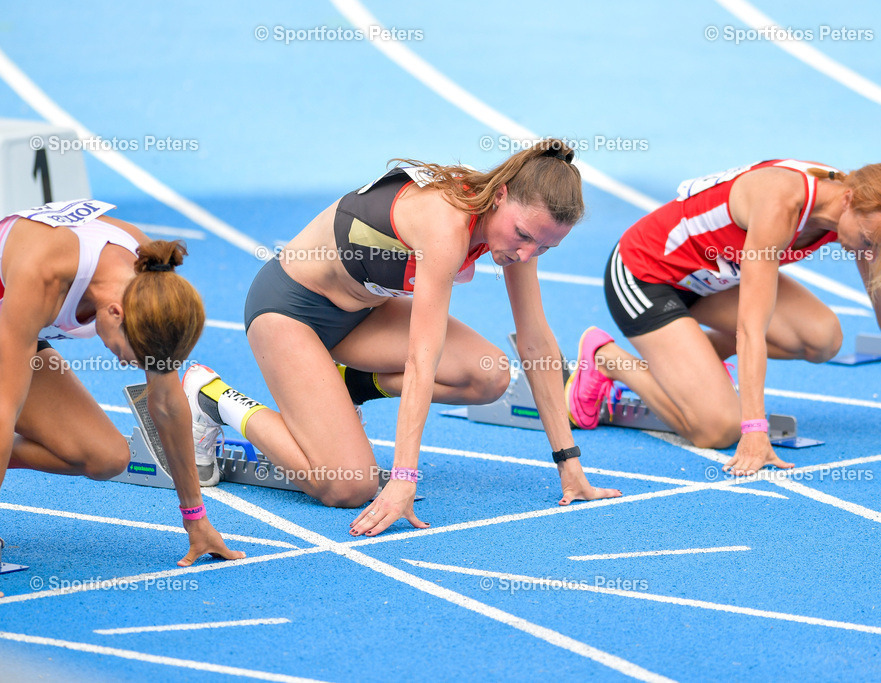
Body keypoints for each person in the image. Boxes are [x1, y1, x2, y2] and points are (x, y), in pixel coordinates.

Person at [183, 139, 621, 537]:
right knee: (349, 485)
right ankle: (210, 397)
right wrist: (402, 480)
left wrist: (570, 463)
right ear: (502, 194)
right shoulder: (446, 225)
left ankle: (347, 384)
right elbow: (420, 360)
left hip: (361, 318)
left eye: (545, 248)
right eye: (524, 236)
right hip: (291, 312)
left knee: (489, 378)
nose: (526, 254)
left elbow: (536, 343)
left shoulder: (519, 229)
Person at [565, 159, 881, 475]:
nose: (869, 253)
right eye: (870, 240)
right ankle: (608, 360)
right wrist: (754, 429)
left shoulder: (862, 215)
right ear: (851, 200)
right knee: (718, 428)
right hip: (646, 276)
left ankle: (692, 363)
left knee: (824, 337)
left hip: (709, 283)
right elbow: (751, 328)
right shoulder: (781, 203)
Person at [0, 199, 244, 567]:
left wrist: (195, 518)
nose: (132, 364)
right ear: (116, 313)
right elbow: (5, 410)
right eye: (137, 356)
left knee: (105, 457)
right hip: (14, 321)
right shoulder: (45, 275)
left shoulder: (152, 287)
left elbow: (165, 403)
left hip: (12, 328)